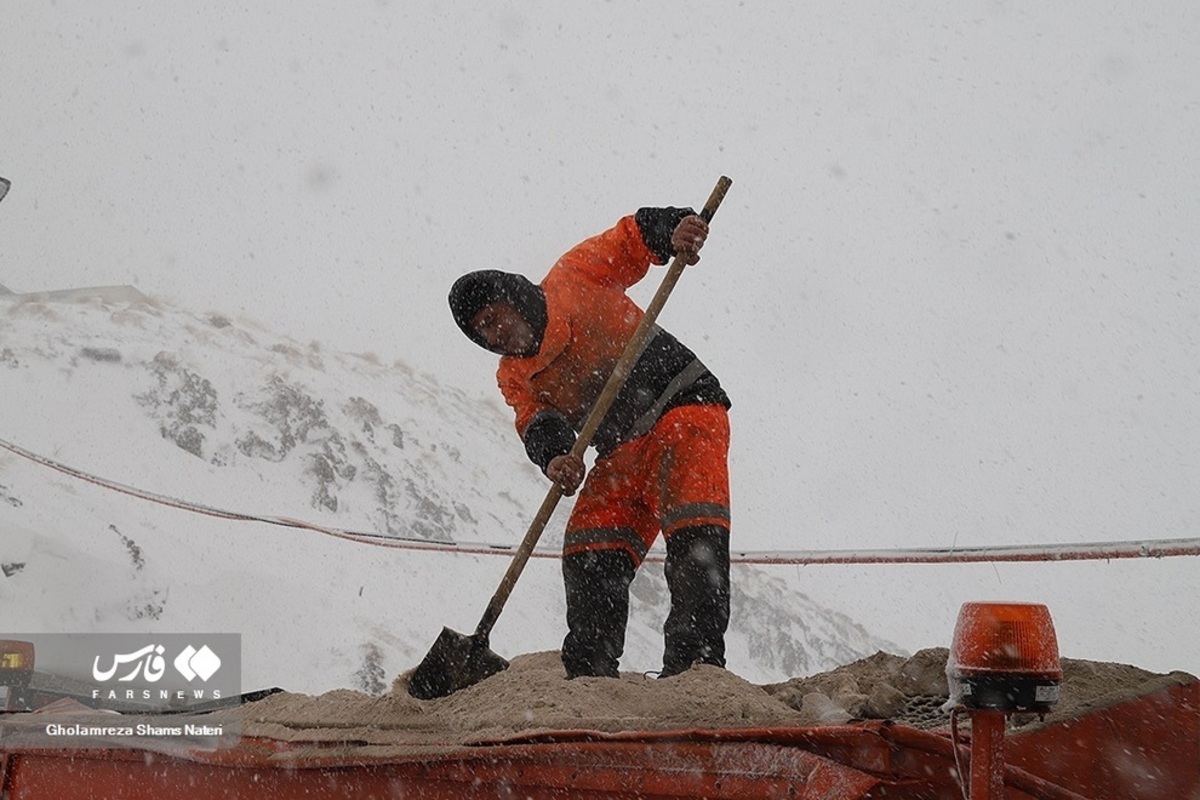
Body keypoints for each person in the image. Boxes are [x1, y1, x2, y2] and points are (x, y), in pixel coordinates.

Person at [448, 205, 732, 679]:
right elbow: (536, 421)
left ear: (516, 299)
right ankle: (589, 678)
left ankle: (695, 671)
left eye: (497, 318)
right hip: (620, 447)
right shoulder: (513, 376)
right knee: (589, 549)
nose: (498, 334)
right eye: (484, 331)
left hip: (683, 405)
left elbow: (633, 238)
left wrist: (674, 230)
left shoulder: (573, 275)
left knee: (694, 533)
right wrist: (556, 456)